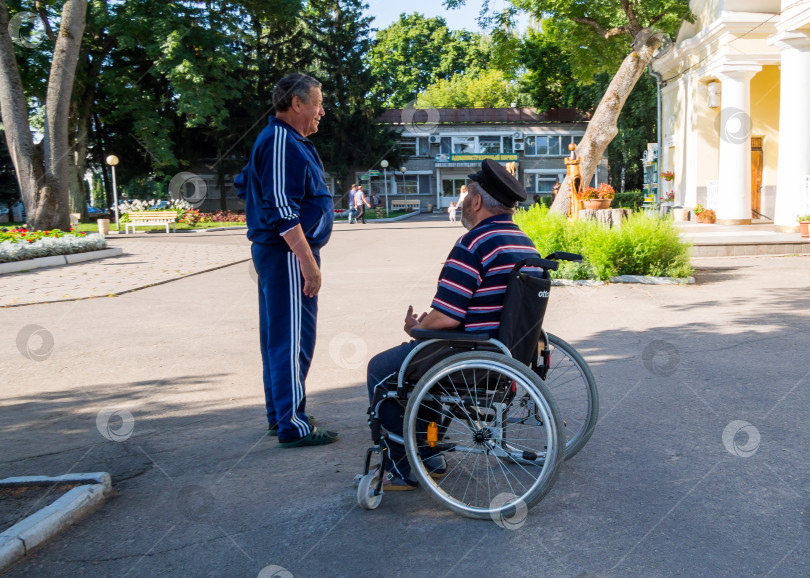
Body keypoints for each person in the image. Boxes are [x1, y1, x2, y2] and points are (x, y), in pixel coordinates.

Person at [365, 159, 540, 488]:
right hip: (507, 357)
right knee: (424, 371)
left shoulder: (474, 243)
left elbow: (446, 317)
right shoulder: (523, 242)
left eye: (465, 196)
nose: (461, 202)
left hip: (468, 355)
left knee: (382, 371)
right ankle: (428, 452)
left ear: (476, 202)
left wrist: (417, 329)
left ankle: (402, 468)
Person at [238, 73, 339, 448]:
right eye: (317, 103)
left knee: (282, 338)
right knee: (292, 340)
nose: (322, 112)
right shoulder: (281, 141)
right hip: (287, 254)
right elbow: (282, 209)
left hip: (282, 253)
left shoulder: (284, 140)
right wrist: (308, 263)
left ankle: (282, 414)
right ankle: (292, 425)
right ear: (297, 104)